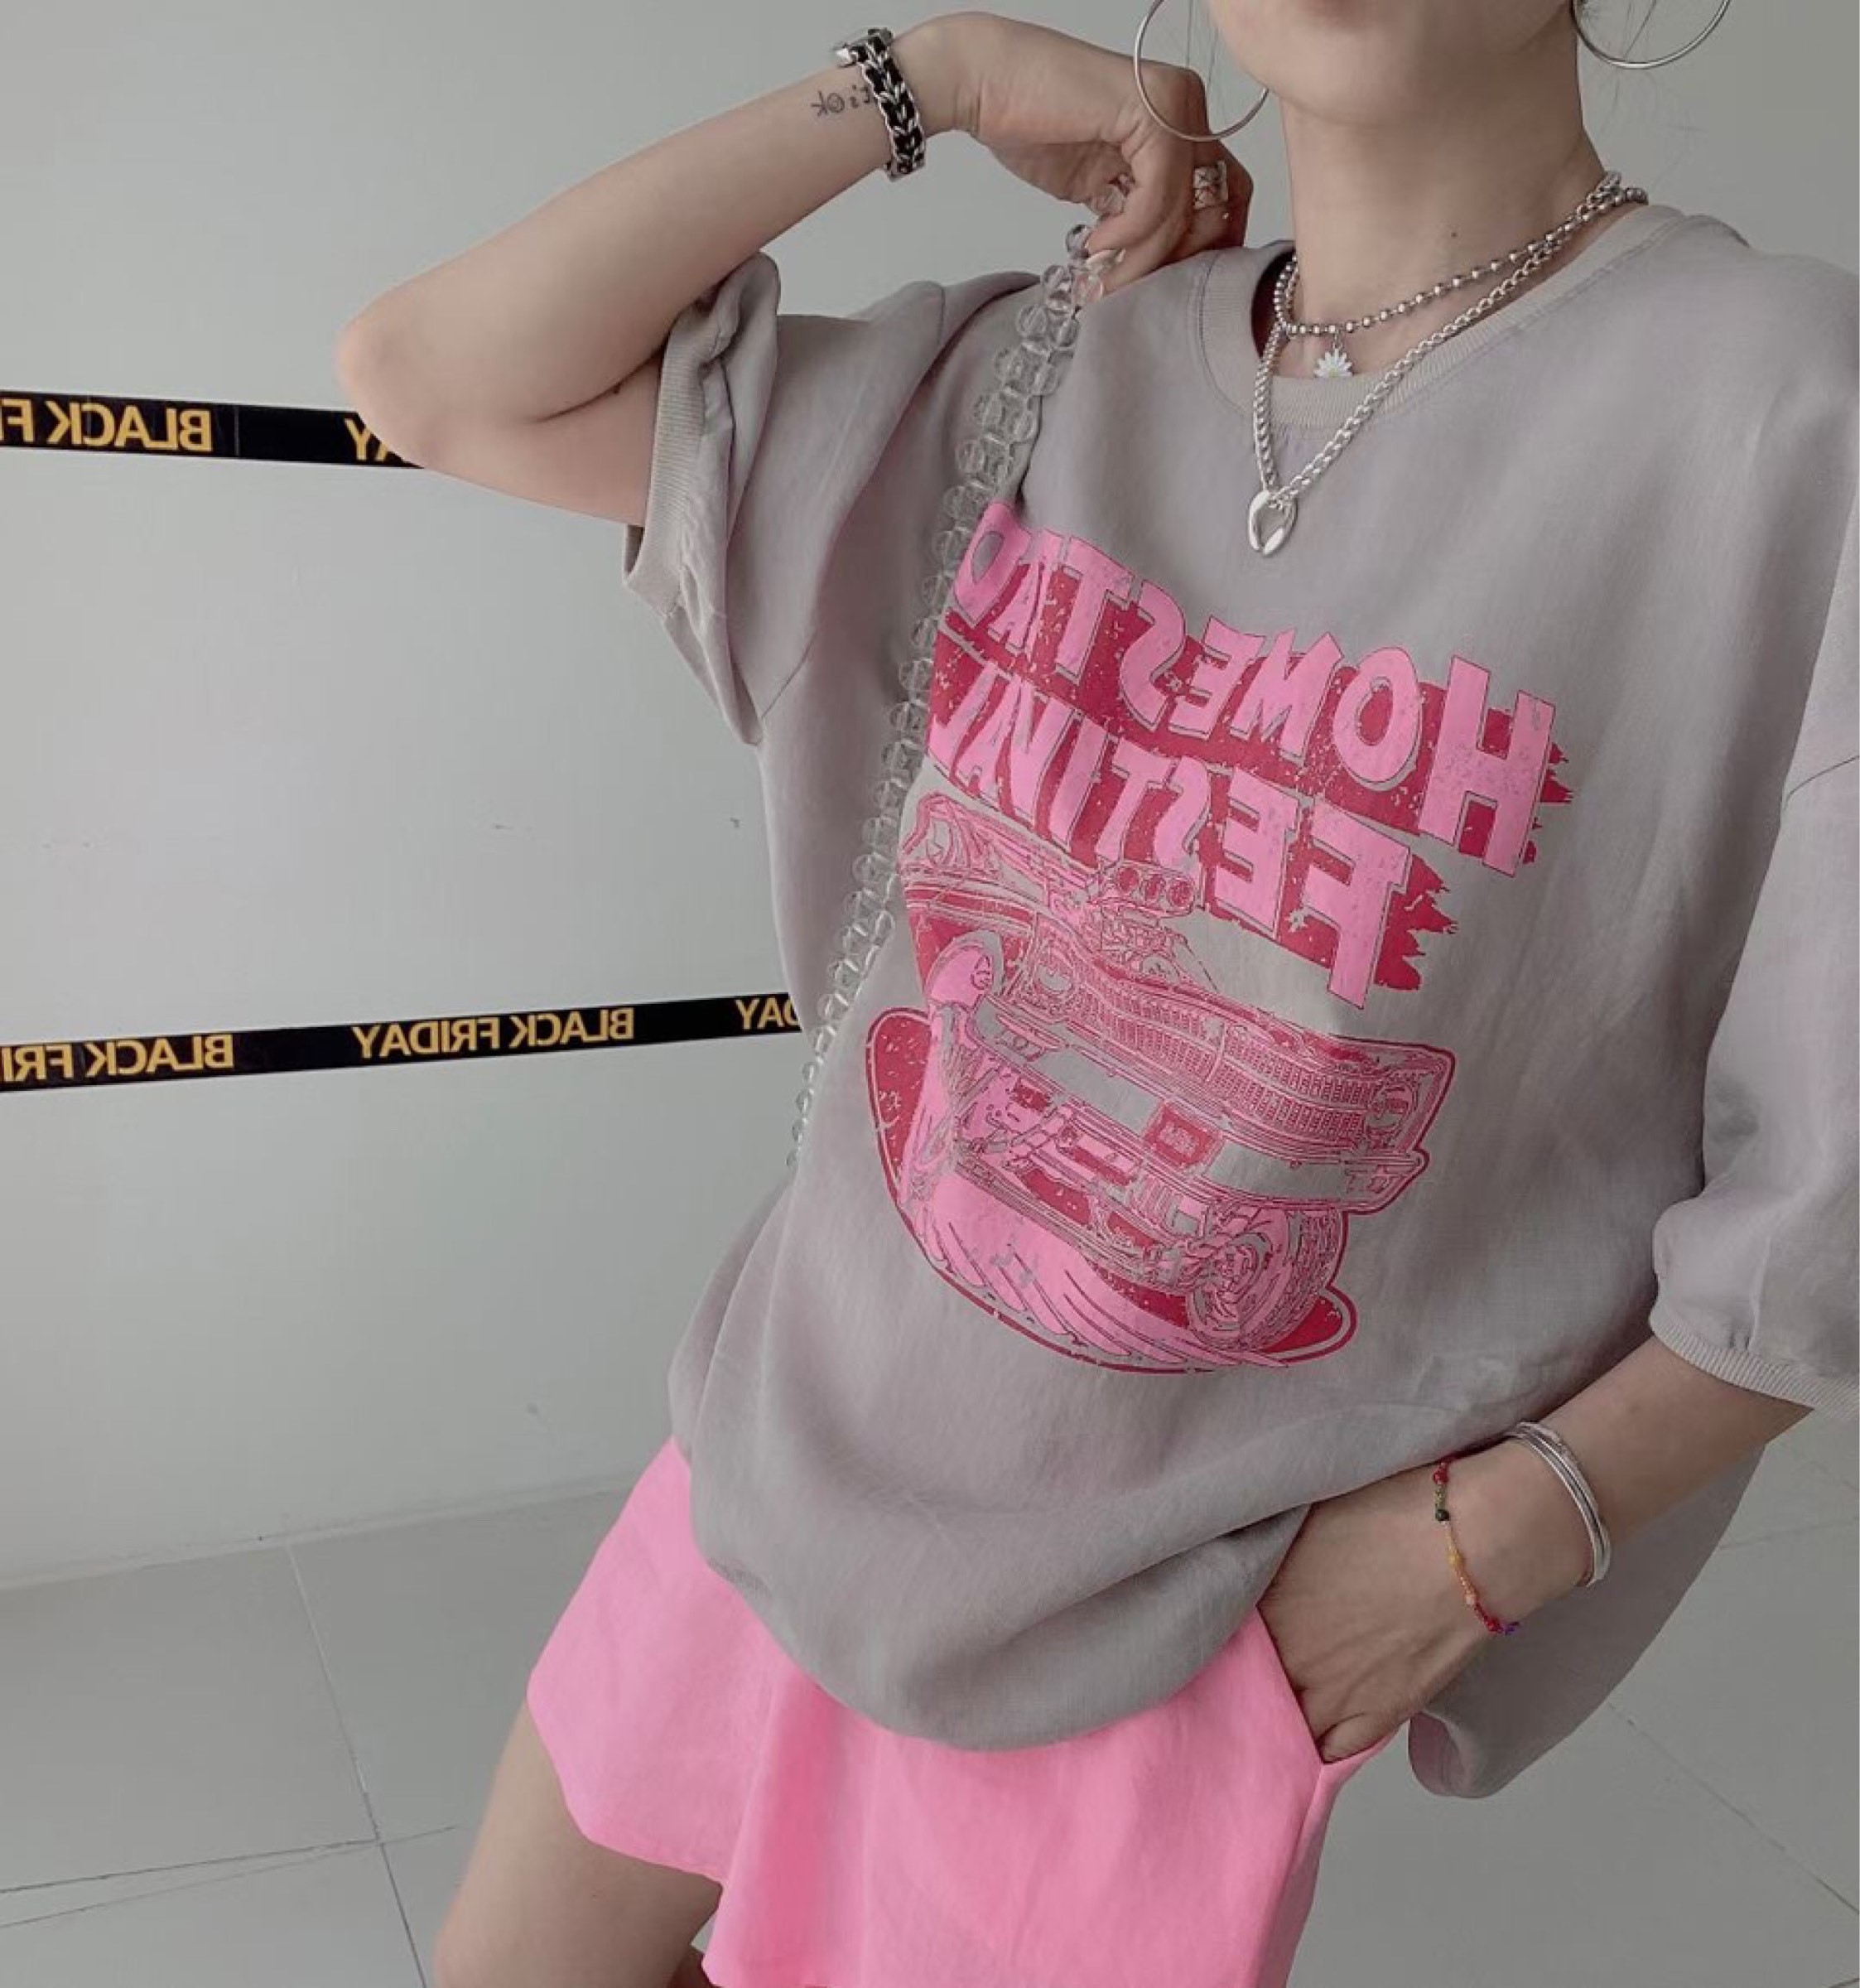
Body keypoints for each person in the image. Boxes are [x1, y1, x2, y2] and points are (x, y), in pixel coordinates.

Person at [335, 4, 1858, 1985]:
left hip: (1158, 1633)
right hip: (766, 1473)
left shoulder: (1775, 411)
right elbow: (435, 376)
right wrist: (941, 75)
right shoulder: (1054, 363)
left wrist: (1498, 1544)